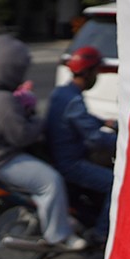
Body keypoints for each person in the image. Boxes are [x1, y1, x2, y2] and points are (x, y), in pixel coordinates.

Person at [0, 35, 87, 254]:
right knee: (51, 182)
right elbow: (22, 136)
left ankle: (58, 217)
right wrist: (39, 121)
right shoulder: (1, 100)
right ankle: (59, 236)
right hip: (3, 160)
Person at [46, 45, 117, 238]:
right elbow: (94, 137)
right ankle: (102, 234)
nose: (97, 76)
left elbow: (81, 119)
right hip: (71, 163)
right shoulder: (74, 101)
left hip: (59, 156)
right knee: (114, 183)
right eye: (96, 72)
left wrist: (105, 122)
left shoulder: (62, 93)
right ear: (87, 73)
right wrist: (121, 142)